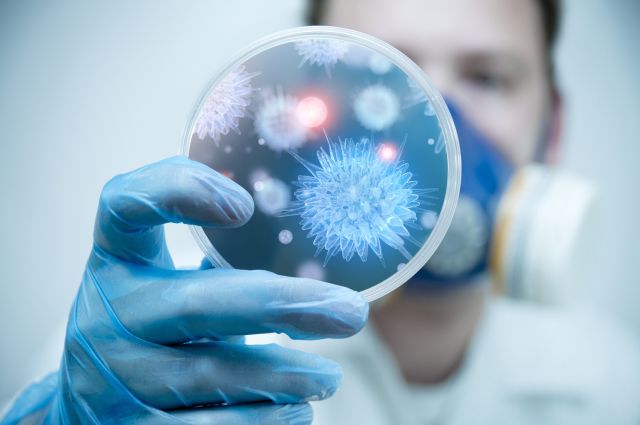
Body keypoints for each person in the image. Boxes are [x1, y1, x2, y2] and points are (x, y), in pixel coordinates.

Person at [2, 1, 640, 424]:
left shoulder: (615, 385)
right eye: (386, 74)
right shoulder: (153, 350)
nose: (438, 126)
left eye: (489, 78)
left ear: (552, 130)